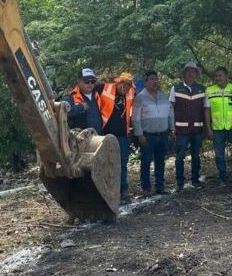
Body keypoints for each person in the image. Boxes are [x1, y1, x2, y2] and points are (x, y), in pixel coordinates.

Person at [132, 71, 173, 195]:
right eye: (151, 79)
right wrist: (139, 134)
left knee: (160, 161)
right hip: (147, 136)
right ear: (146, 82)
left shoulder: (163, 96)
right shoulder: (140, 97)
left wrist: (171, 129)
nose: (154, 82)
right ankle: (146, 188)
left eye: (156, 79)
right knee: (146, 162)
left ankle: (160, 187)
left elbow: (170, 113)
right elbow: (135, 118)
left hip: (163, 134)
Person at [205, 66, 232, 185]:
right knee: (219, 155)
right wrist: (208, 128)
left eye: (220, 75)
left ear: (227, 76)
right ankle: (223, 177)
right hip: (217, 128)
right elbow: (207, 110)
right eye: (216, 76)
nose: (218, 78)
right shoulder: (210, 90)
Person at [99, 72, 136, 202]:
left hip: (122, 135)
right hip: (106, 135)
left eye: (127, 86)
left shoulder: (130, 93)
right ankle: (109, 193)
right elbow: (88, 89)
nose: (124, 88)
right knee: (107, 164)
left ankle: (124, 191)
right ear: (118, 82)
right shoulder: (105, 88)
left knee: (123, 163)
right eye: (123, 85)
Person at [170, 62, 207, 191]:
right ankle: (179, 183)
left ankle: (195, 180)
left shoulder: (202, 89)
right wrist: (172, 127)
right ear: (184, 73)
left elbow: (206, 109)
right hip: (181, 130)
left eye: (193, 72)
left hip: (197, 129)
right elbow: (171, 109)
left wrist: (206, 128)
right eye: (188, 71)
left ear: (196, 74)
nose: (191, 74)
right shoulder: (176, 88)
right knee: (180, 157)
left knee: (196, 156)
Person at [63, 68, 103, 132]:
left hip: (99, 135)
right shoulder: (70, 98)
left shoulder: (99, 94)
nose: (90, 84)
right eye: (87, 81)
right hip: (81, 137)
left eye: (93, 81)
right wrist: (81, 107)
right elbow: (63, 112)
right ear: (78, 81)